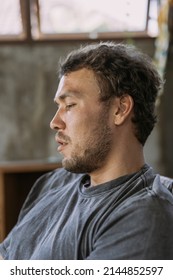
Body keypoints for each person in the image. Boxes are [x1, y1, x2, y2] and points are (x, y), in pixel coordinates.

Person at [0, 42, 173, 260]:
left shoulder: (146, 216)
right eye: (58, 107)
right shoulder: (54, 183)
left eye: (70, 105)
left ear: (120, 109)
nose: (55, 122)